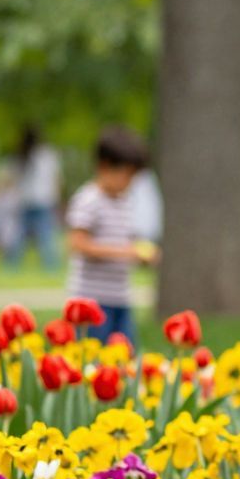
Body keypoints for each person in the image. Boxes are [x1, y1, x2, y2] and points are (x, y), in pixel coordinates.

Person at [63, 126, 156, 345]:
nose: (130, 183)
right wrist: (124, 253)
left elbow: (126, 241)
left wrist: (141, 254)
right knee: (93, 359)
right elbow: (77, 244)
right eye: (127, 176)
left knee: (124, 359)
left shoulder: (125, 202)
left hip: (120, 296)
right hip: (92, 300)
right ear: (104, 166)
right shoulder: (89, 200)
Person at [12, 125, 62, 270]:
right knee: (46, 236)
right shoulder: (47, 155)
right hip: (44, 200)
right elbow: (55, 179)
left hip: (26, 201)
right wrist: (57, 200)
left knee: (19, 236)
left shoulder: (20, 155)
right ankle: (51, 267)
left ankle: (12, 266)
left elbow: (15, 181)